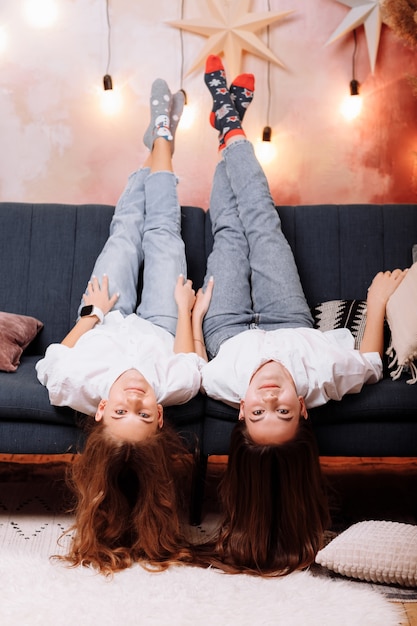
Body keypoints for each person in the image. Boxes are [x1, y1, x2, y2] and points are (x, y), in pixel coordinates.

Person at [194, 55, 407, 575]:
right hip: (288, 318)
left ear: (240, 412)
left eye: (259, 413)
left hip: (225, 327)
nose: (269, 400)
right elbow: (372, 361)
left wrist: (193, 313)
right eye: (283, 413)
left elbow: (194, 363)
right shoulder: (325, 379)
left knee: (228, 233)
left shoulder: (223, 382)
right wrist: (377, 303)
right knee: (262, 224)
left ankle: (228, 124)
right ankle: (231, 126)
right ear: (304, 410)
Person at [36, 78, 213, 575]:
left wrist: (91, 314)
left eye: (121, 409)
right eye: (143, 409)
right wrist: (183, 309)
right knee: (162, 235)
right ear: (160, 418)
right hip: (159, 319)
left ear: (98, 413)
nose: (136, 394)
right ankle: (162, 140)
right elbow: (188, 358)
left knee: (124, 234)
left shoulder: (76, 386)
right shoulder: (175, 388)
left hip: (106, 315)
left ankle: (158, 145)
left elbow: (56, 358)